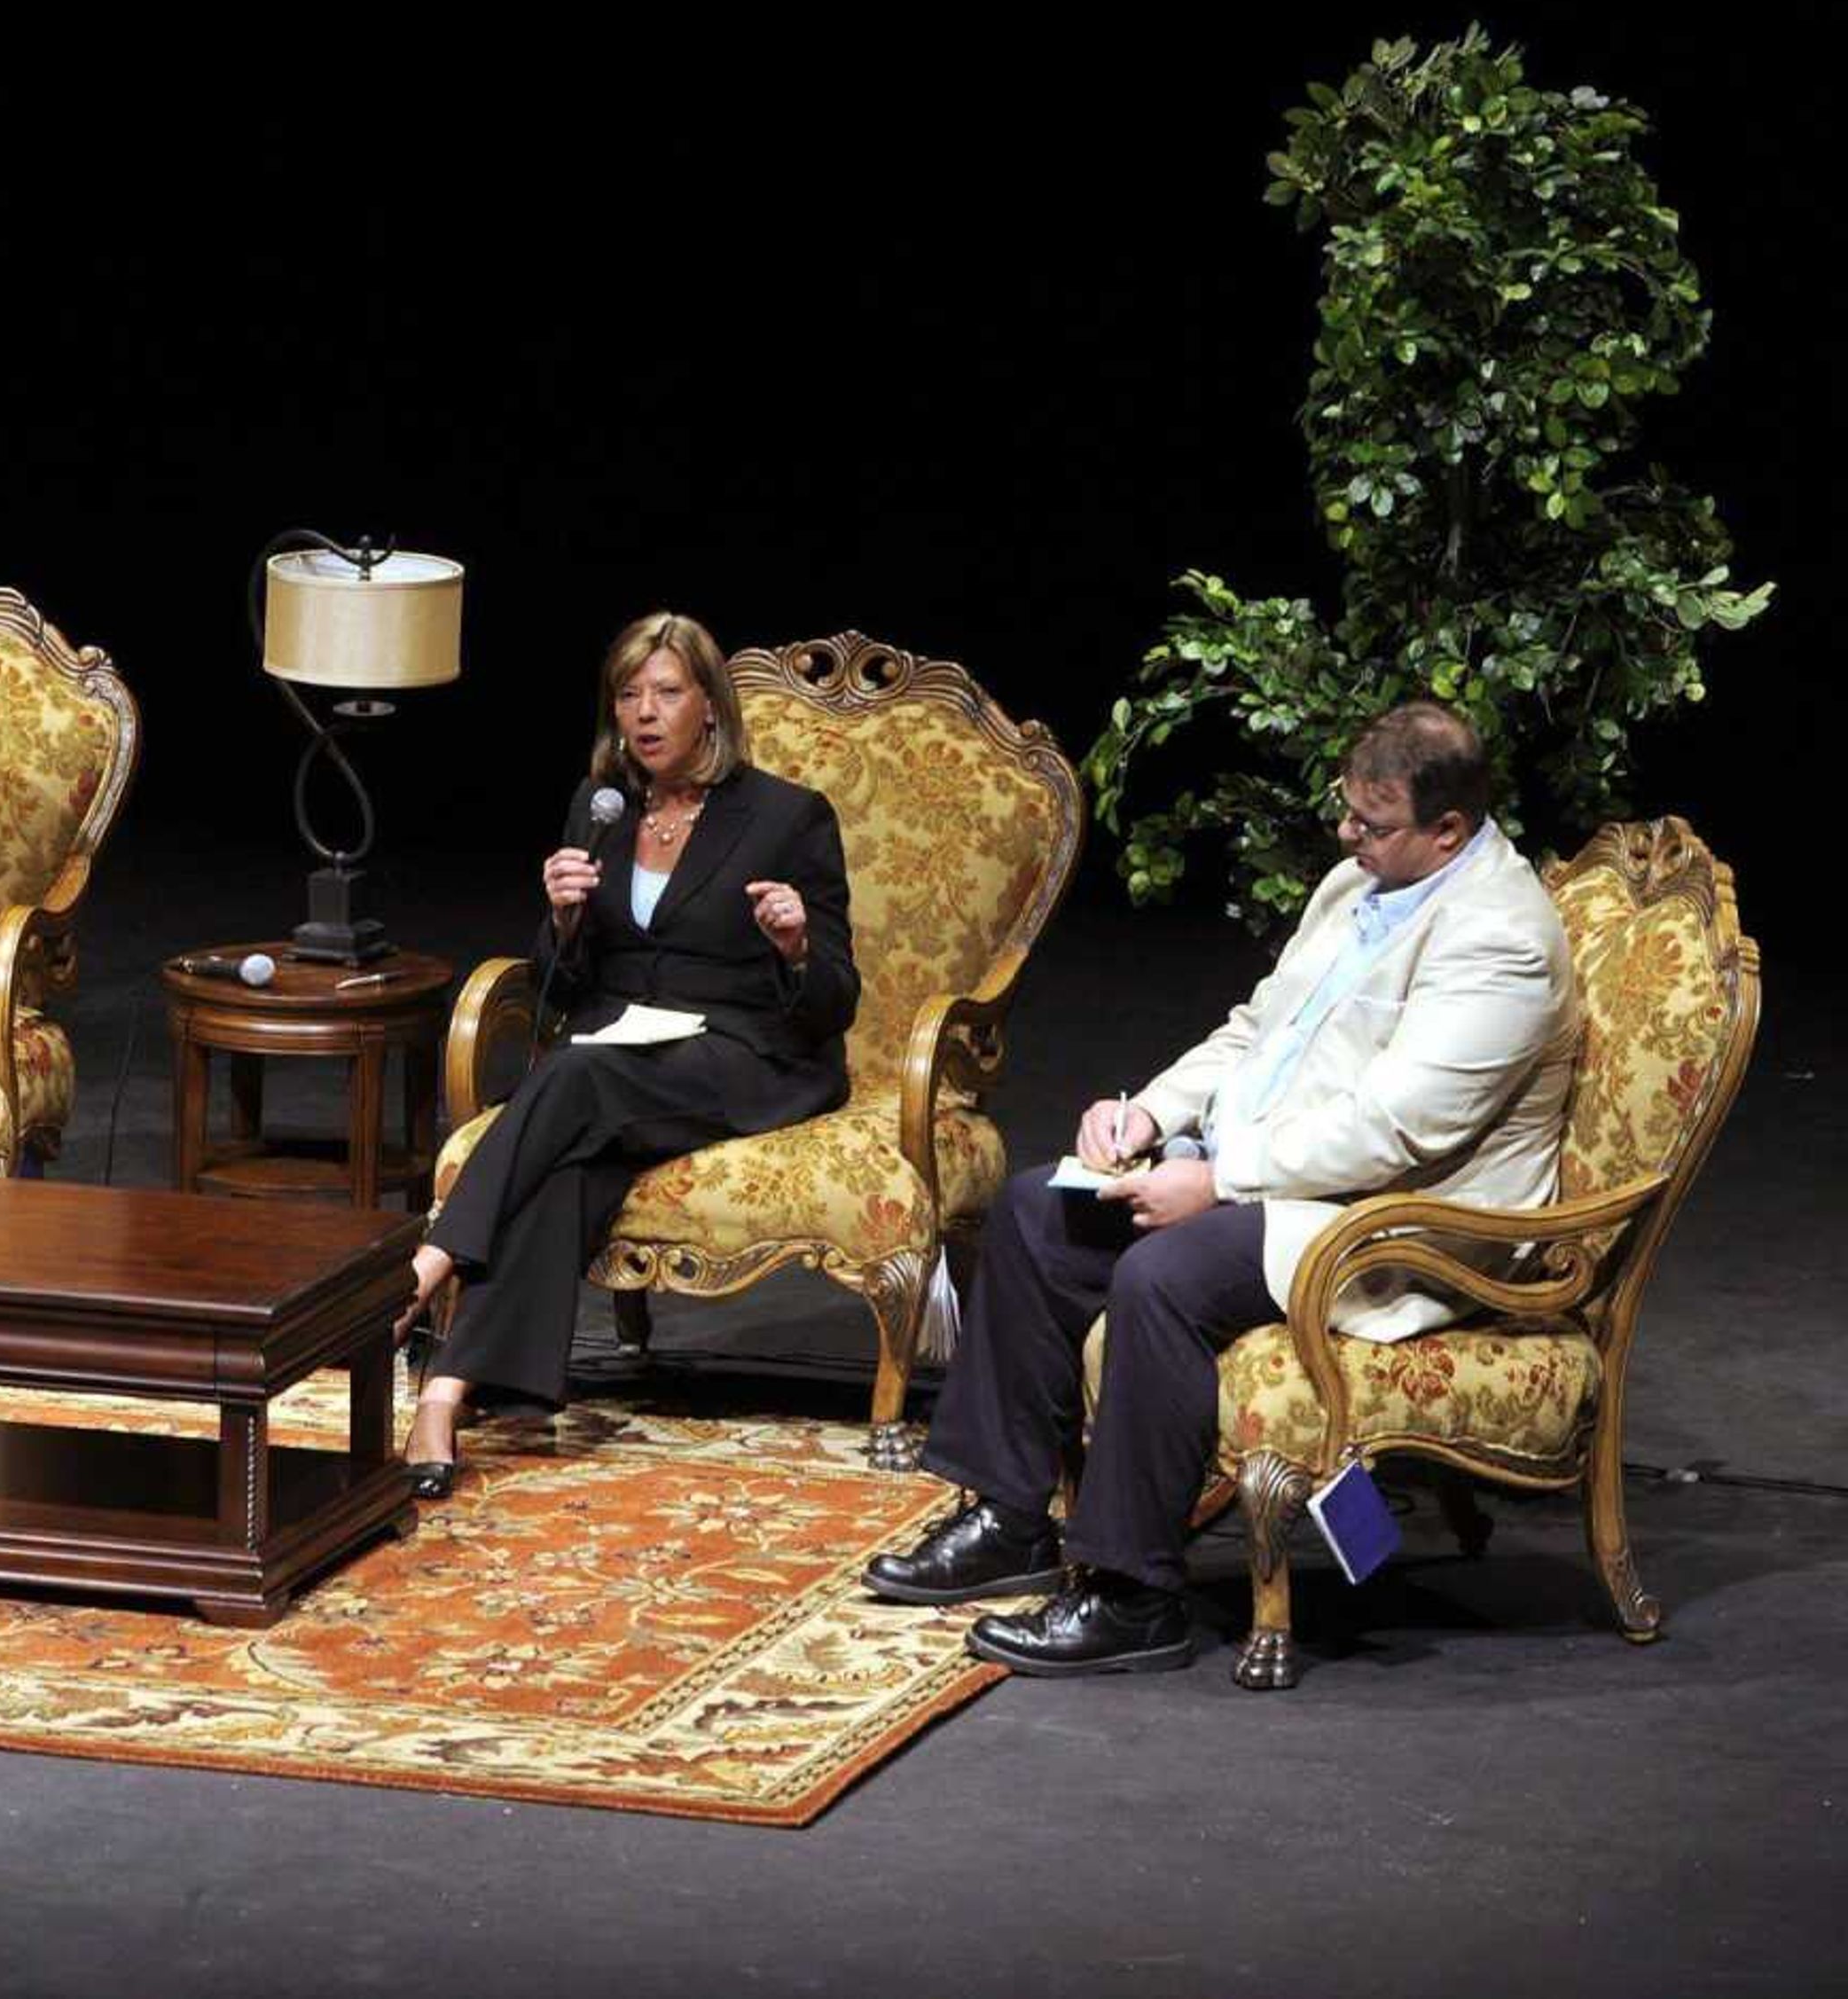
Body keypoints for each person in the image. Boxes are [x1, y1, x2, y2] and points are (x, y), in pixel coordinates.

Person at [865, 700, 1578, 1675]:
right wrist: (1152, 1118)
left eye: (1372, 824)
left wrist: (1221, 1180)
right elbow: (1258, 1028)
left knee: (1166, 1272)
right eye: (1346, 814)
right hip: (1277, 1180)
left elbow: (1399, 1126)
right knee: (1037, 1209)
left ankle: (1133, 1591)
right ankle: (1009, 1516)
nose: (1345, 836)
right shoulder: (1356, 883)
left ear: (1449, 830)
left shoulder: (1503, 937)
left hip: (1389, 1223)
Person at [400, 613, 860, 1493]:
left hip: (750, 1055)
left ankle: (426, 1265)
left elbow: (836, 1000)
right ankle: (444, 1397)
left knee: (575, 1073)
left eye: (667, 692)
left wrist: (798, 946)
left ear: (710, 708)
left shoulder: (786, 817)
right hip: (625, 1057)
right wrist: (565, 919)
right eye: (629, 693)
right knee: (565, 1171)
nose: (645, 713)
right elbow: (564, 986)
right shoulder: (600, 807)